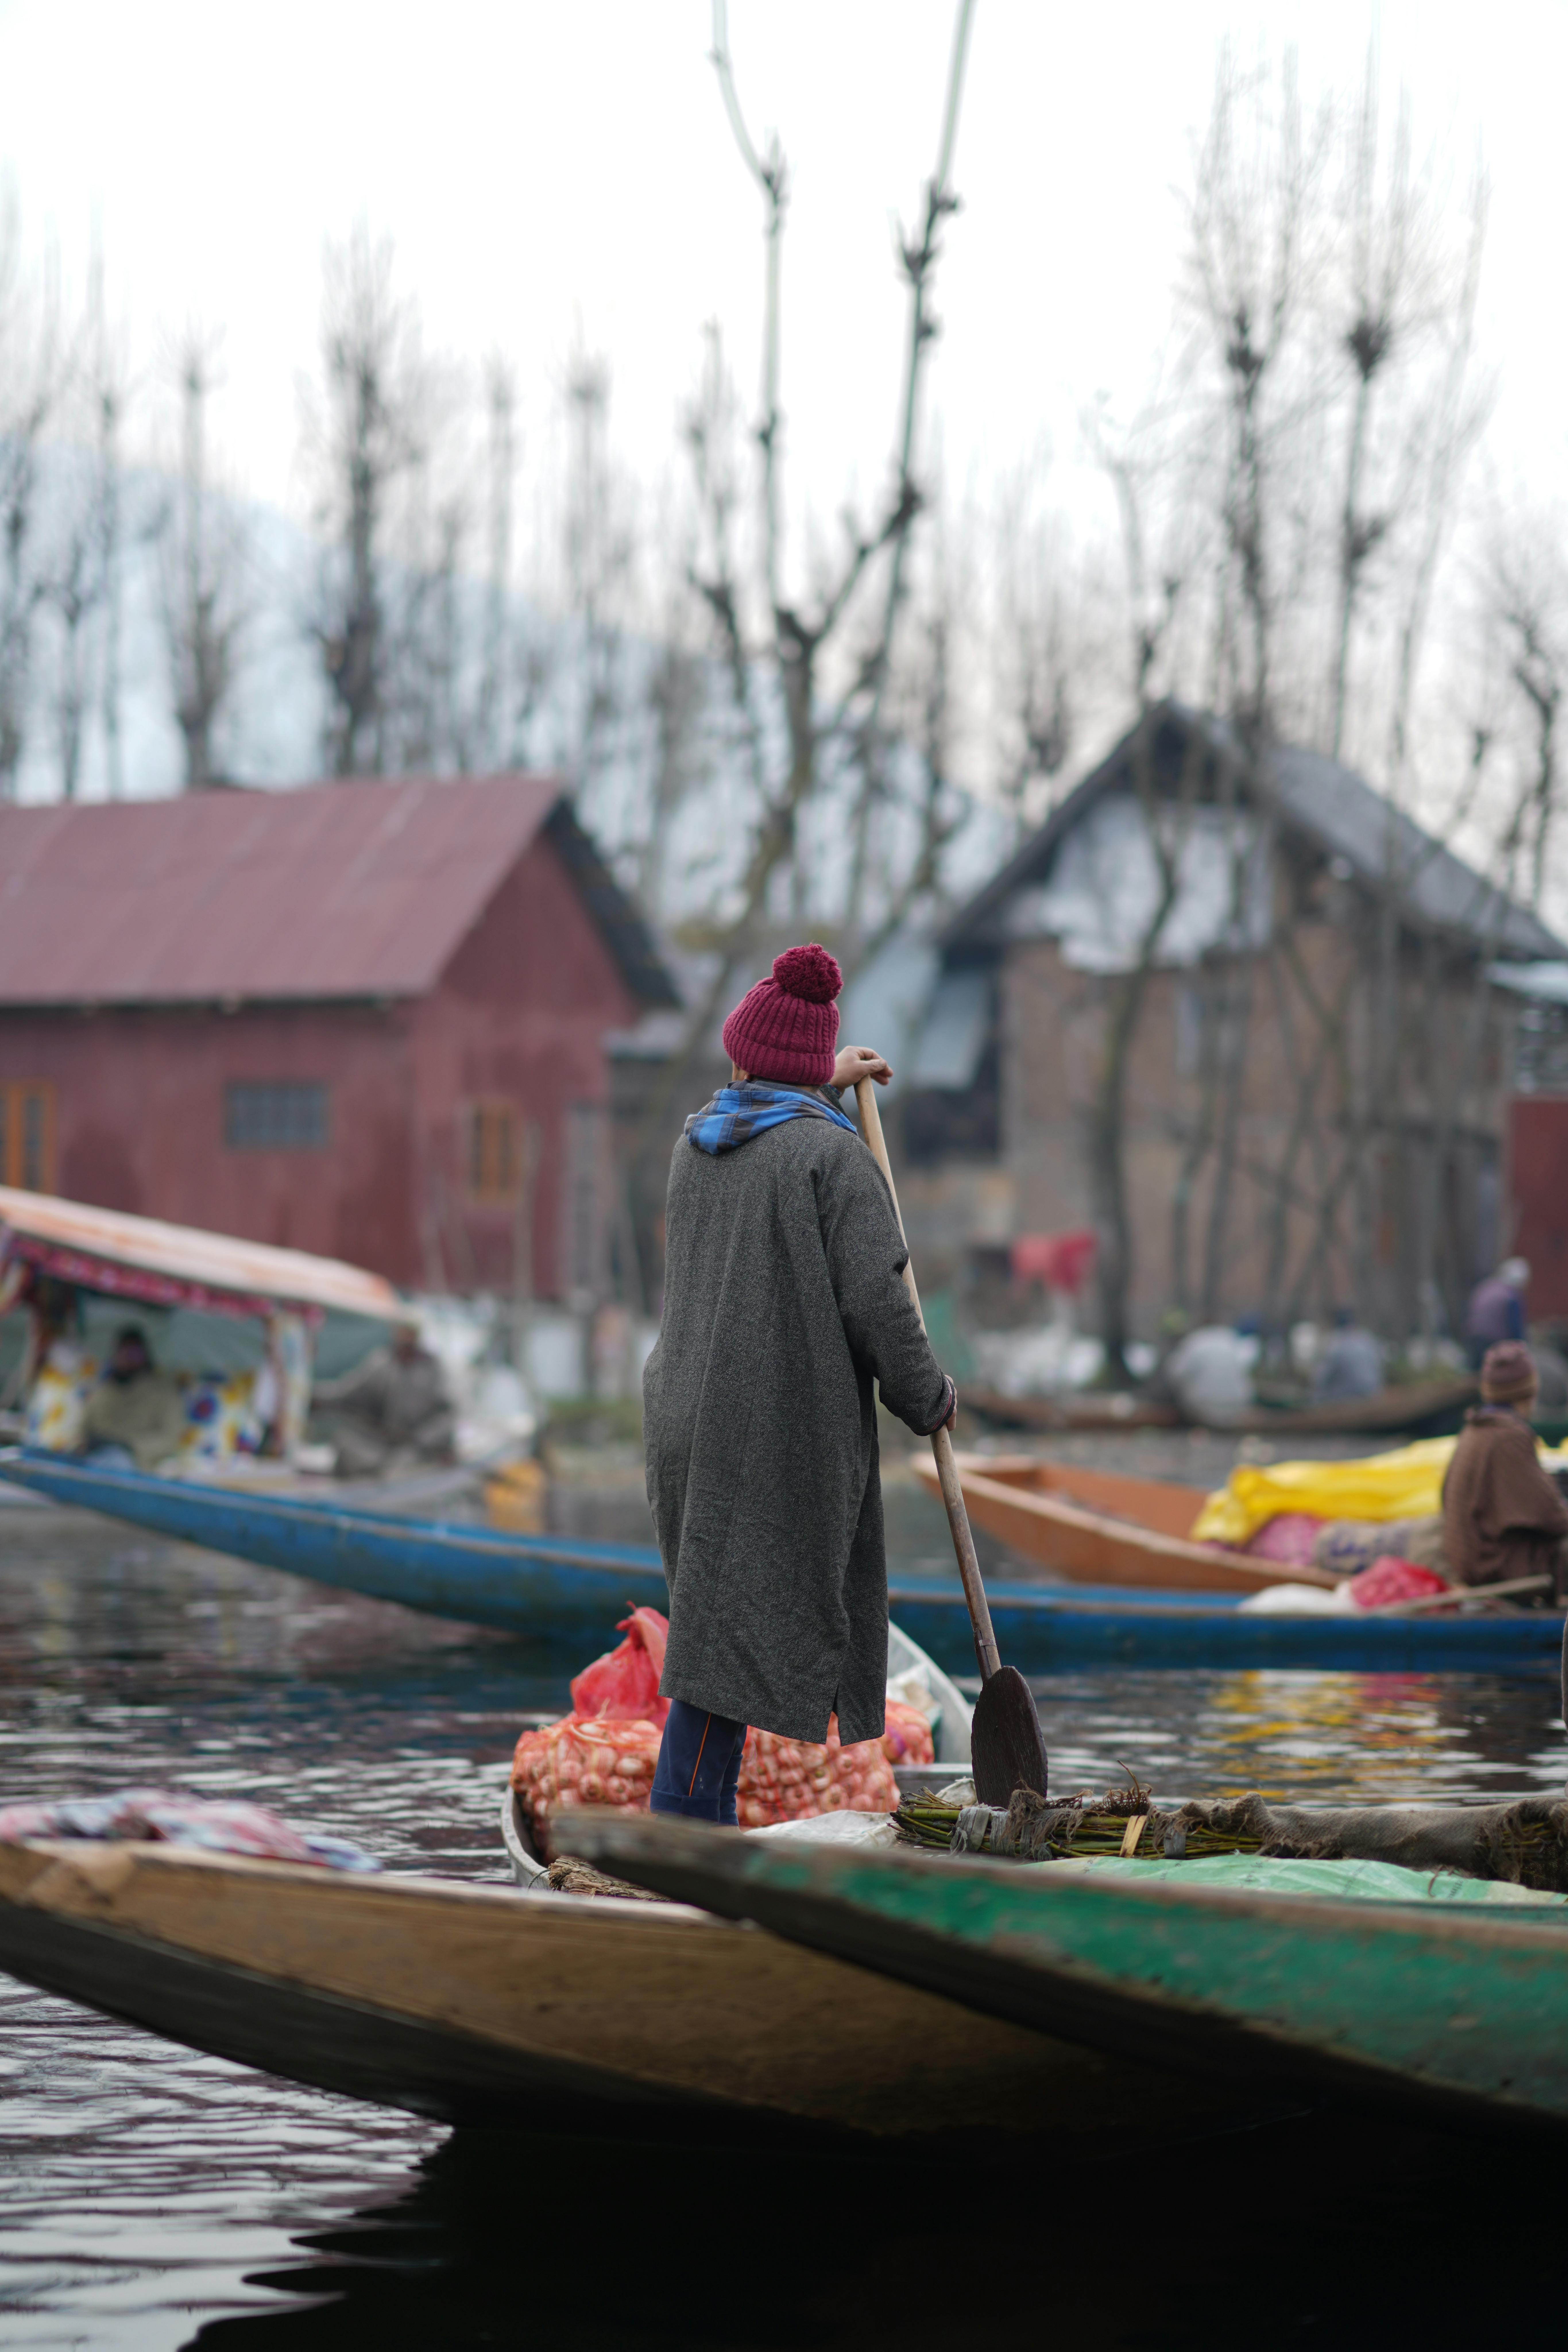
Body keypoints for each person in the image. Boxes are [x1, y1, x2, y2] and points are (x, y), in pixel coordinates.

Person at [642, 941, 956, 1825]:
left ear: (744, 1062)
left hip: (685, 1419)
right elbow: (881, 1309)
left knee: (716, 1630)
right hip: (769, 1434)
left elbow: (760, 1104)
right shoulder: (832, 1162)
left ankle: (689, 1831)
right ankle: (684, 1843)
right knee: (721, 1649)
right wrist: (927, 1396)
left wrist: (820, 1079)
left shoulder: (695, 1144)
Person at [1441, 1341, 1568, 1599]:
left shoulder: (1473, 1429)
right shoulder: (1509, 1437)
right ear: (1530, 1391)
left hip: (1470, 1561)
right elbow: (1550, 1516)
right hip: (1492, 1567)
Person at [312, 1317, 456, 1479]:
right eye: (401, 1332)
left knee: (400, 1468)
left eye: (409, 1332)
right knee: (345, 1443)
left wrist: (421, 1441)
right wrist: (316, 1396)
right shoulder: (381, 1362)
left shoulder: (432, 1368)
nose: (404, 1337)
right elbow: (348, 1392)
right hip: (383, 1444)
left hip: (418, 1449)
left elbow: (446, 1416)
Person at [82, 1325, 190, 1473]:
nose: (128, 1358)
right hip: (95, 1455)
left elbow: (170, 1438)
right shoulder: (104, 1389)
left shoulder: (164, 1391)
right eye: (123, 1351)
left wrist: (131, 1447)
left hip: (135, 1462)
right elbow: (85, 1428)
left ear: (145, 1356)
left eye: (134, 1352)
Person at [1465, 1258, 1530, 1371]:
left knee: (1476, 1372)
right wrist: (1523, 1348)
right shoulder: (1510, 1296)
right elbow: (1515, 1328)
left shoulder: (1486, 1286)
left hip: (1474, 1336)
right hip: (1494, 1341)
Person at [1312, 1308, 1384, 1403]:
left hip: (1348, 1398)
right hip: (1373, 1393)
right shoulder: (1367, 1339)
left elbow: (1321, 1379)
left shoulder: (1336, 1345)